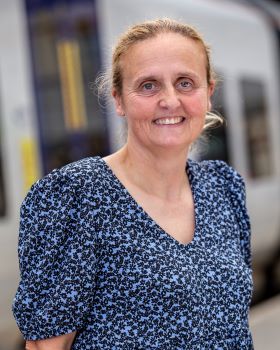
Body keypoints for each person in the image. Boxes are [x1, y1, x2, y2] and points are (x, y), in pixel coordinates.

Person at [13, 18, 253, 349]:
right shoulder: (77, 196)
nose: (169, 100)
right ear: (119, 100)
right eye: (148, 86)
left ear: (209, 93)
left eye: (185, 83)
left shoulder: (224, 187)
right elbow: (46, 345)